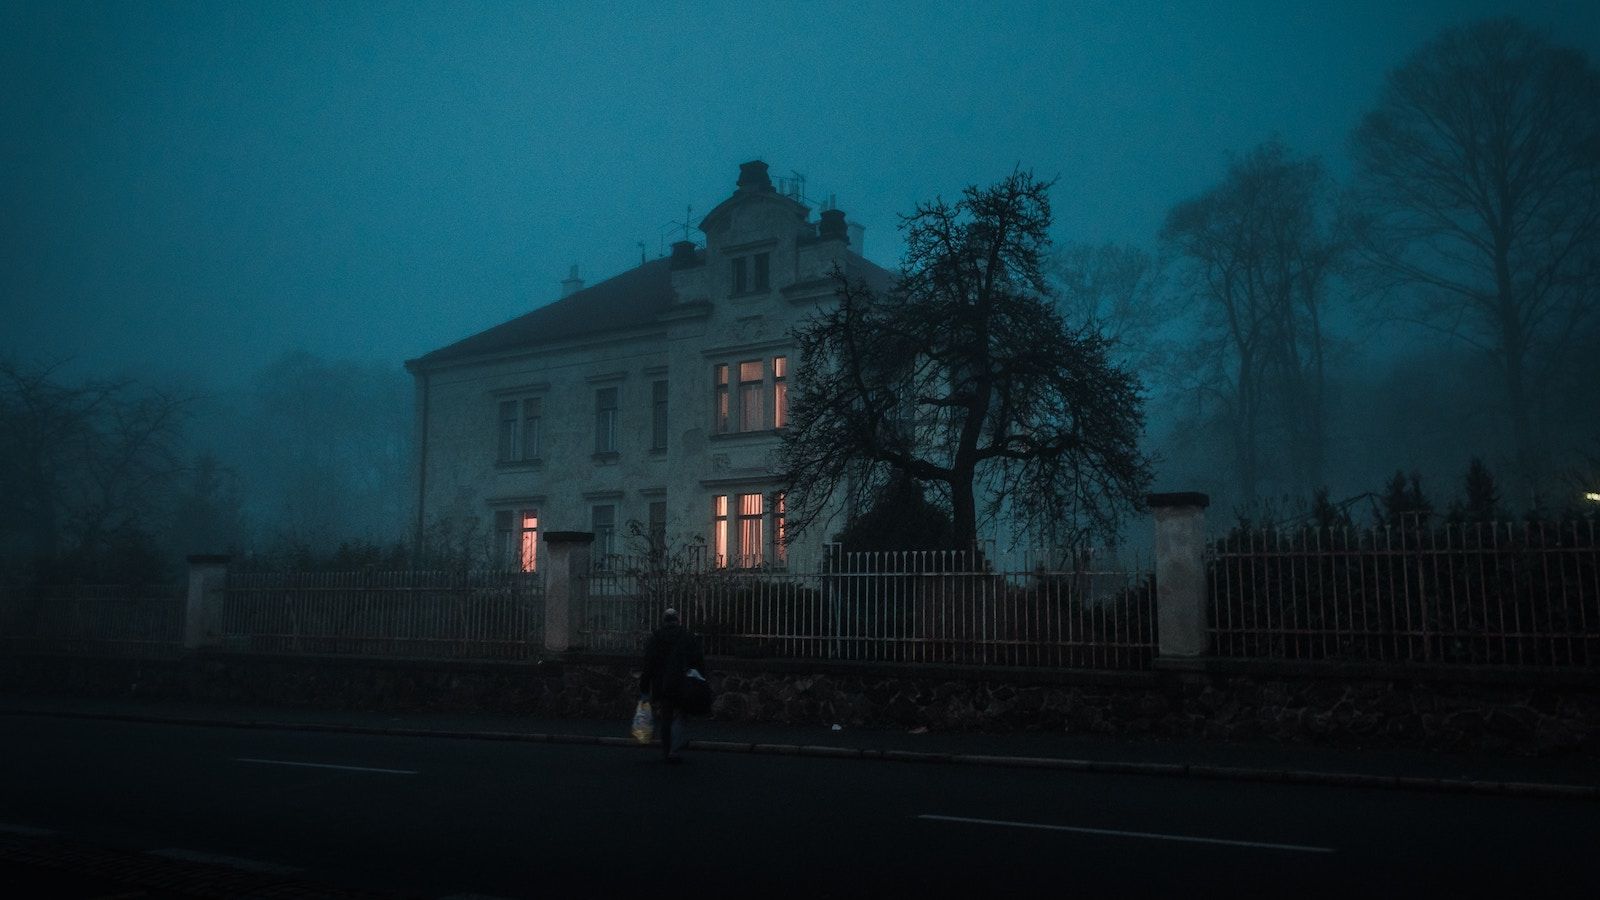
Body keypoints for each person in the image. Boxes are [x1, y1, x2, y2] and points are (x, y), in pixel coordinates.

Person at [638, 608, 704, 763]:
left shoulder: (656, 638)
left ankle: (666, 751)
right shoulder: (687, 637)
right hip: (683, 682)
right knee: (682, 714)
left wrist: (644, 687)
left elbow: (648, 664)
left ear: (664, 621)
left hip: (662, 683)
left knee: (666, 717)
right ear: (678, 620)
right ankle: (675, 748)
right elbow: (697, 661)